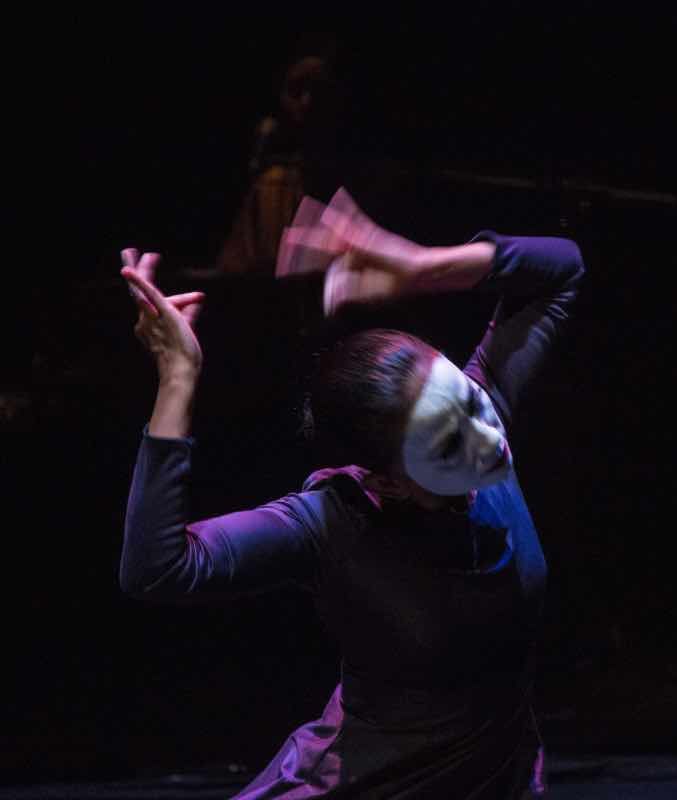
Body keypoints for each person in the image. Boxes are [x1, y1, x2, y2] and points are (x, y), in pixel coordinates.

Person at [118, 188, 585, 798]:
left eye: (472, 402)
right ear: (387, 479)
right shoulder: (334, 522)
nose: (490, 437)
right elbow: (157, 569)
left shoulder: (482, 424)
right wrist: (178, 378)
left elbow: (563, 269)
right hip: (372, 782)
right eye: (448, 444)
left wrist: (424, 266)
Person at [216, 45, 348, 276]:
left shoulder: (356, 176)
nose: (307, 102)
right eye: (297, 90)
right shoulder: (274, 183)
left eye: (319, 91)